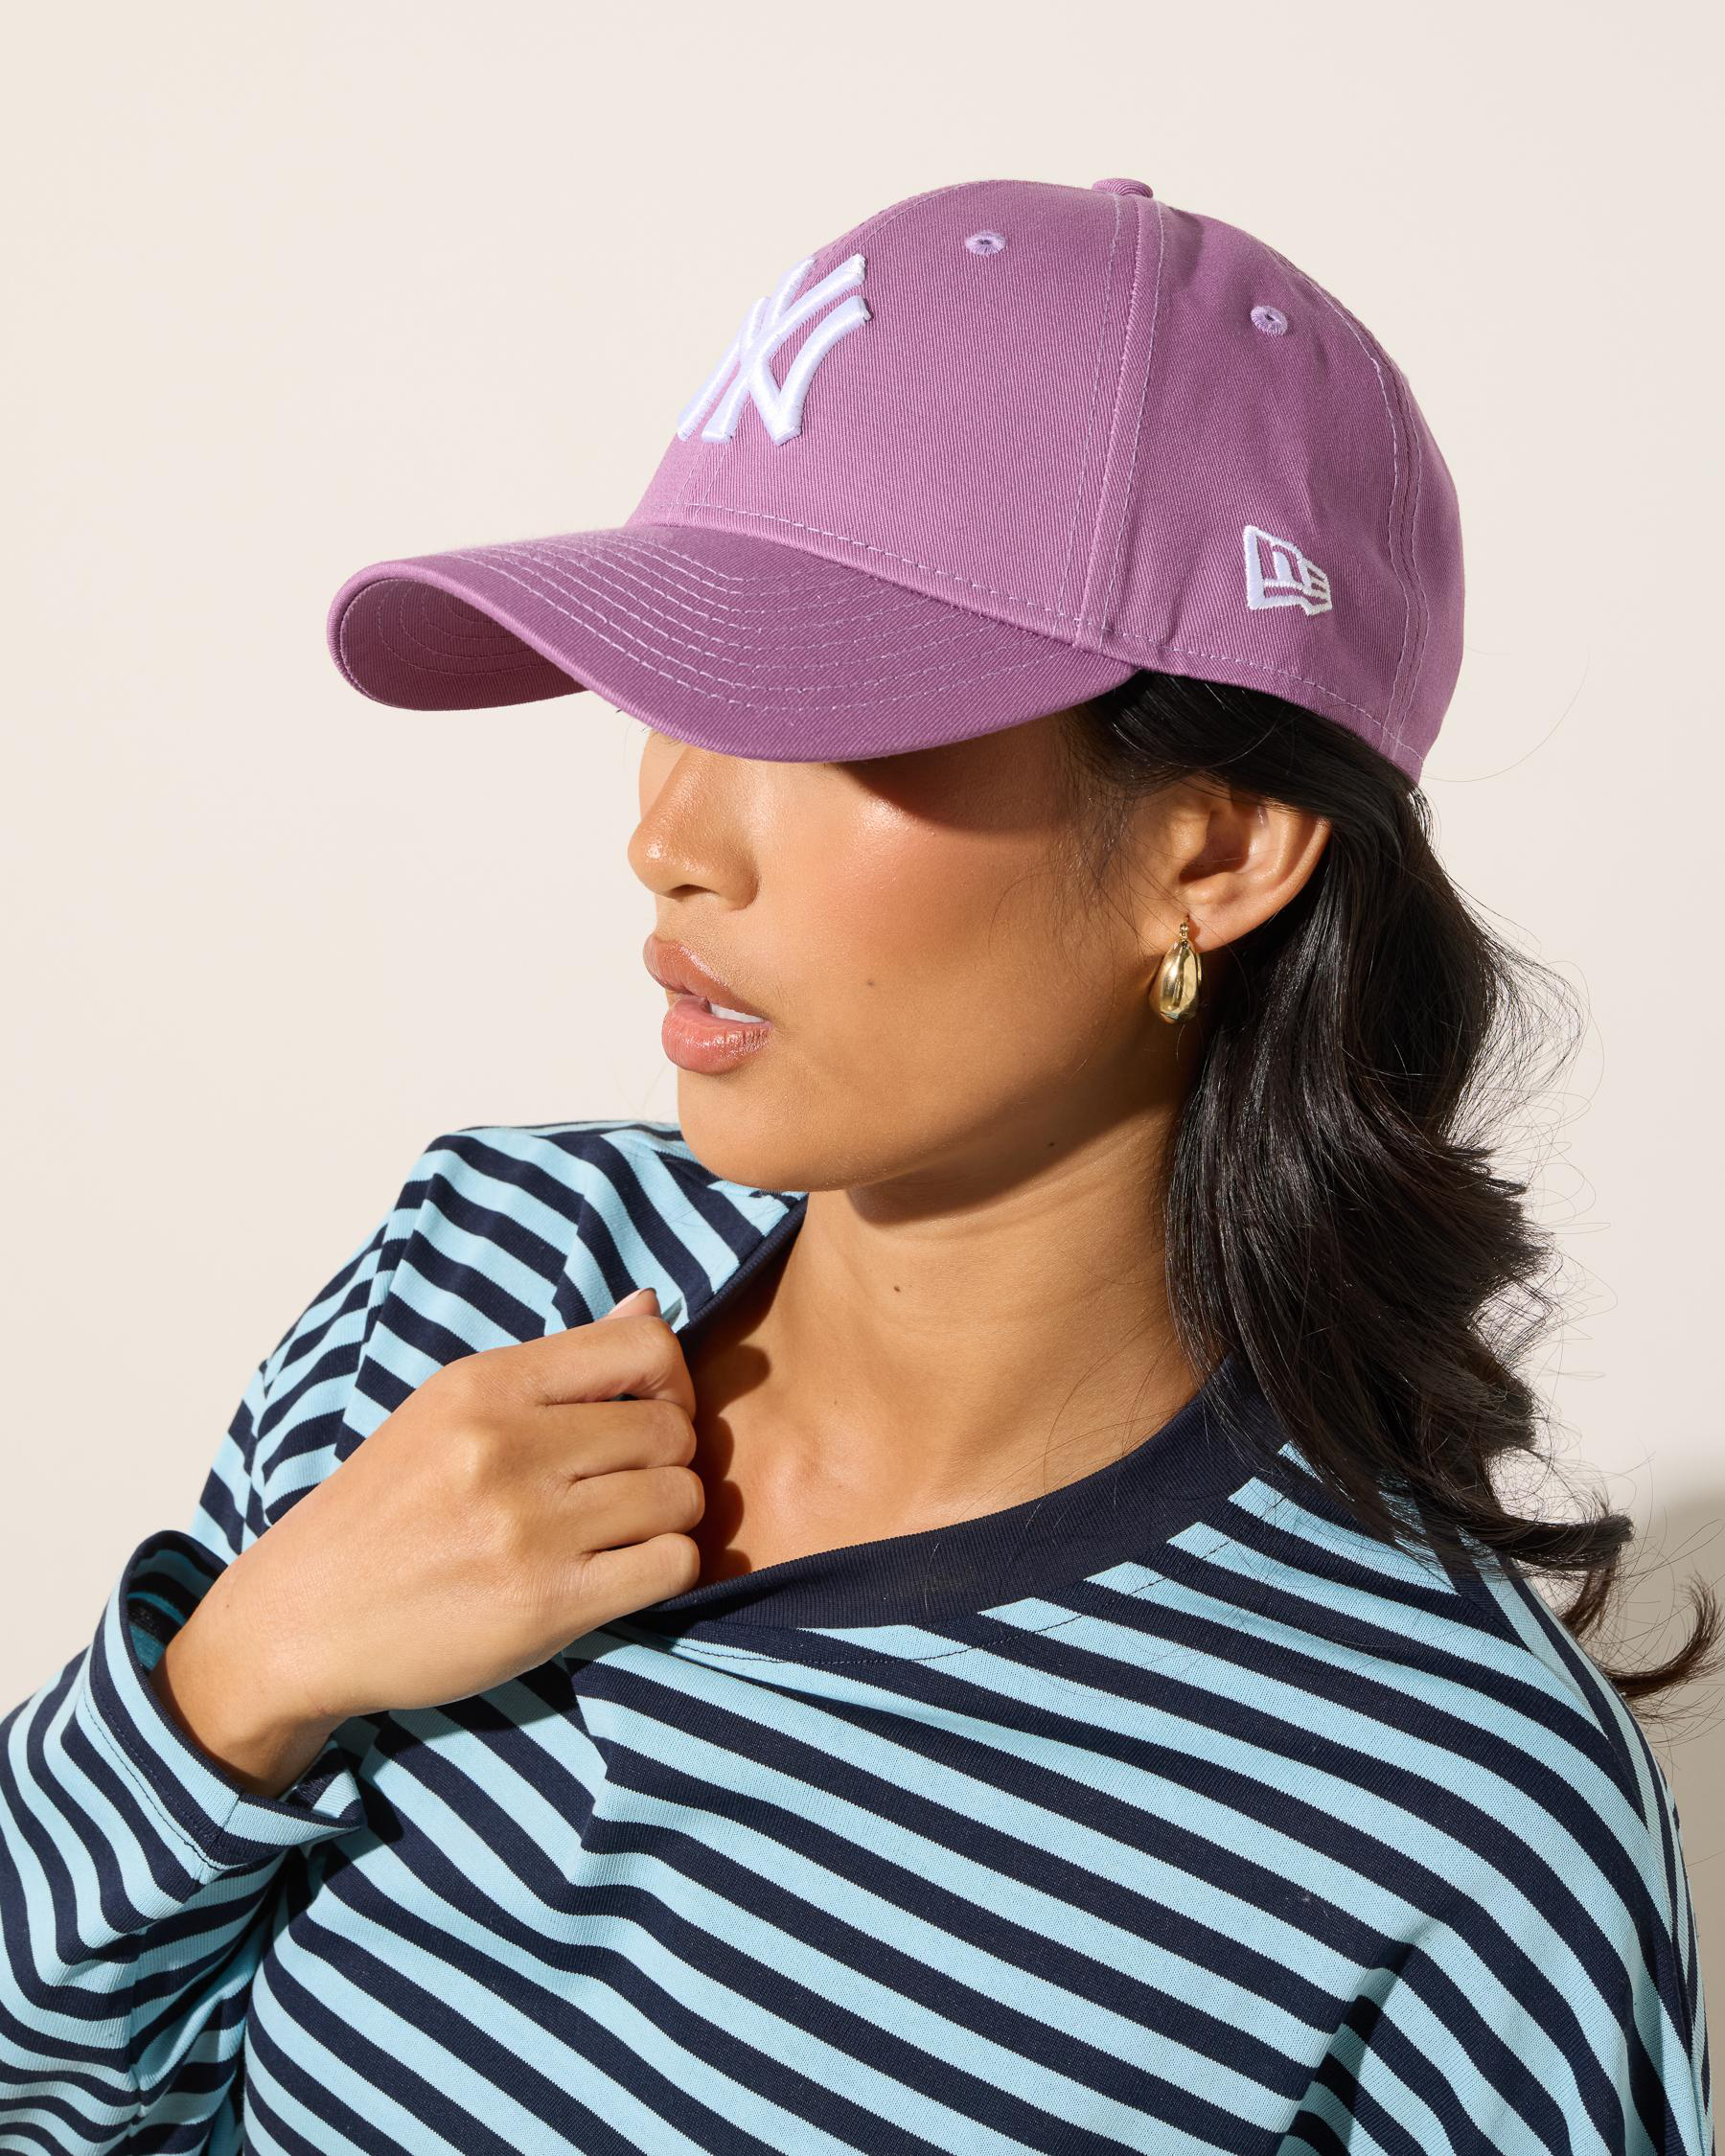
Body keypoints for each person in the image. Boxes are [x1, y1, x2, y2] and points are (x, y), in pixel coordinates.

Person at [2, 173, 1714, 2155]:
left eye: (825, 723)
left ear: (1219, 851)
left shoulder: (1452, 1810)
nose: (668, 837)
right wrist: (236, 1680)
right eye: (670, 689)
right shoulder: (478, 1268)